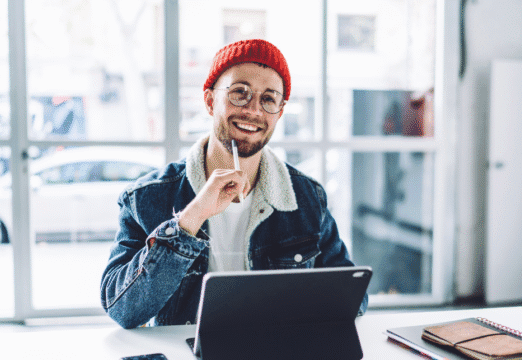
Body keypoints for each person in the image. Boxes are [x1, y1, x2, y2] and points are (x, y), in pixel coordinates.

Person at [101, 39, 367, 329]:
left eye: (268, 99)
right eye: (240, 93)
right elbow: (122, 310)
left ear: (280, 111)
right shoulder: (148, 197)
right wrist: (190, 219)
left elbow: (353, 298)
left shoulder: (307, 197)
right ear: (210, 100)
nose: (253, 111)